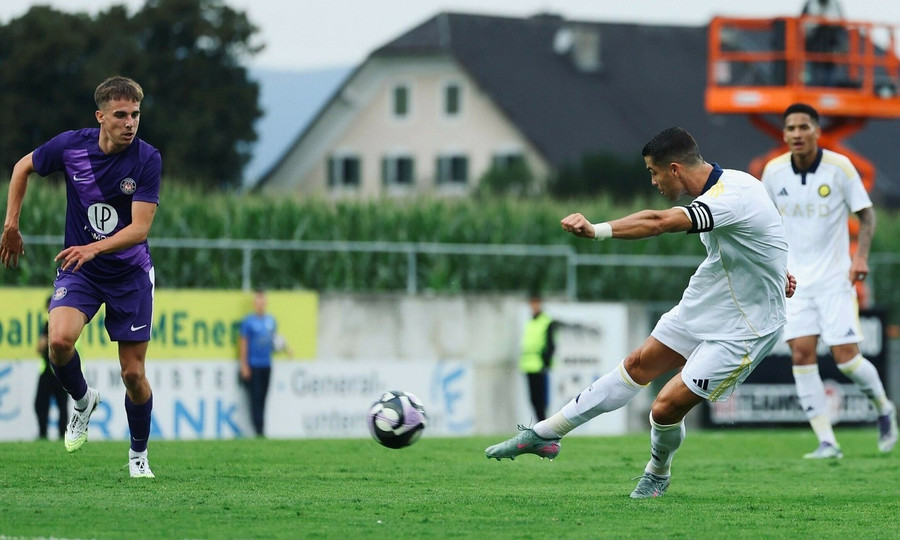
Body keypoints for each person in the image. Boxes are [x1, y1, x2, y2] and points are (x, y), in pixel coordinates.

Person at [485, 127, 796, 499]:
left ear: (676, 169)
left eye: (654, 172)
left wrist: (596, 230)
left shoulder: (732, 195)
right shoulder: (729, 186)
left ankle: (657, 473)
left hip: (748, 326)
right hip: (711, 300)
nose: (653, 181)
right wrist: (780, 271)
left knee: (663, 408)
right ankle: (544, 435)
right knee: (636, 365)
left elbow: (659, 222)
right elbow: (764, 232)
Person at [1, 76, 161, 478]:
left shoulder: (146, 158)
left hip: (129, 274)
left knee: (133, 374)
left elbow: (139, 228)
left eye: (136, 115)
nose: (130, 123)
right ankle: (84, 399)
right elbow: (22, 168)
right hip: (82, 270)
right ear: (101, 116)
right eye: (121, 115)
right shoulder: (72, 146)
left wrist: (92, 247)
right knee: (57, 341)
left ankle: (138, 456)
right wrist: (11, 224)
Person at [761, 103, 897, 458]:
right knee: (801, 354)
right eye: (790, 128)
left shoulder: (840, 167)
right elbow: (762, 221)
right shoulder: (773, 172)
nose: (796, 134)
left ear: (817, 131)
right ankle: (826, 441)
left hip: (835, 279)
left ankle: (884, 407)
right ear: (784, 134)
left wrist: (861, 256)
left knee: (847, 359)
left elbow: (866, 216)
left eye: (804, 127)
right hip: (794, 282)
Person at [239, 289, 293, 437]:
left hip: (266, 364)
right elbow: (243, 343)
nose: (260, 304)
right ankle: (258, 430)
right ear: (254, 303)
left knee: (263, 397)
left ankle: (261, 429)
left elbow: (275, 340)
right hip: (253, 365)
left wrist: (286, 349)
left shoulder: (271, 321)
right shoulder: (248, 322)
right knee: (254, 397)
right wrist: (244, 365)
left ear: (266, 302)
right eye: (258, 301)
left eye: (263, 301)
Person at [34, 296, 70, 440]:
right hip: (57, 370)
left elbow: (40, 347)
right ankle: (61, 435)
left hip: (55, 370)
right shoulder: (68, 323)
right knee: (59, 404)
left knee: (45, 404)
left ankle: (47, 434)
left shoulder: (51, 325)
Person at [520, 294, 557, 422]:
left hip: (540, 365)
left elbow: (551, 344)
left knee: (541, 400)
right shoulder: (530, 321)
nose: (533, 306)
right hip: (528, 365)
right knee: (533, 400)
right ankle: (540, 426)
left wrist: (545, 362)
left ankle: (543, 427)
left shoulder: (546, 321)